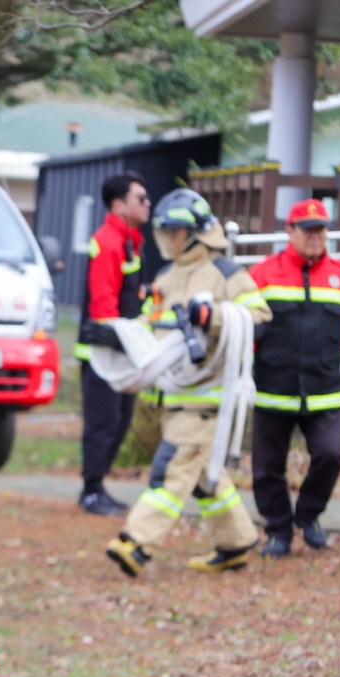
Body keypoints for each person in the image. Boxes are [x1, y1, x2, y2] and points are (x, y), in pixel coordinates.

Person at [105, 189, 271, 577]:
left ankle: (136, 543)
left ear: (196, 232)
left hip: (208, 401)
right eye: (165, 232)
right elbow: (152, 325)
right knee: (205, 479)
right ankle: (236, 543)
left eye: (176, 232)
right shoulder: (167, 275)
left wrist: (212, 316)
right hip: (172, 395)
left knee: (172, 469)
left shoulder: (226, 273)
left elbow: (260, 317)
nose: (169, 240)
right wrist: (119, 336)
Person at [247, 199, 340, 557]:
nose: (316, 235)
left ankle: (308, 516)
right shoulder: (263, 274)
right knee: (266, 469)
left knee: (330, 456)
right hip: (272, 391)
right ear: (289, 231)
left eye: (321, 229)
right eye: (308, 228)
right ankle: (278, 531)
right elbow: (245, 330)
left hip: (323, 392)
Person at [76, 172, 152, 516]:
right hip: (104, 353)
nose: (147, 204)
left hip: (122, 350)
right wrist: (124, 342)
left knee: (119, 422)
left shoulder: (130, 240)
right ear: (119, 205)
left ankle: (98, 486)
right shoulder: (107, 241)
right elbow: (104, 303)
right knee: (104, 423)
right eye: (141, 198)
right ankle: (91, 492)